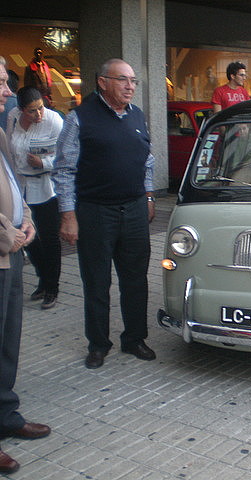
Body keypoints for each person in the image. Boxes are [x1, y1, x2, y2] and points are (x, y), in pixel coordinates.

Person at [53, 58, 156, 369]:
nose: (130, 86)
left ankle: (134, 338)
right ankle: (98, 344)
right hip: (96, 212)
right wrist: (68, 216)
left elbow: (147, 160)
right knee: (97, 283)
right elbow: (64, 170)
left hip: (135, 209)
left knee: (136, 280)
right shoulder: (79, 118)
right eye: (123, 80)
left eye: (134, 81)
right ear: (102, 82)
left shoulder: (137, 115)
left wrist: (149, 195)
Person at [0, 56, 50, 476]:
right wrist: (7, 234)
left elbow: (15, 184)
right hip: (2, 246)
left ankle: (5, 416)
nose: (7, 92)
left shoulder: (0, 133)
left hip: (10, 252)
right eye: (0, 83)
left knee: (7, 341)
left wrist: (26, 220)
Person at [6, 87, 63, 309]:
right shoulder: (12, 118)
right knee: (27, 237)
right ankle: (43, 278)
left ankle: (52, 287)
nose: (38, 114)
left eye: (40, 108)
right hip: (21, 186)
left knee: (49, 238)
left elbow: (67, 155)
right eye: (32, 111)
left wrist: (44, 163)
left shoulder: (54, 121)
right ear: (21, 110)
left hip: (46, 187)